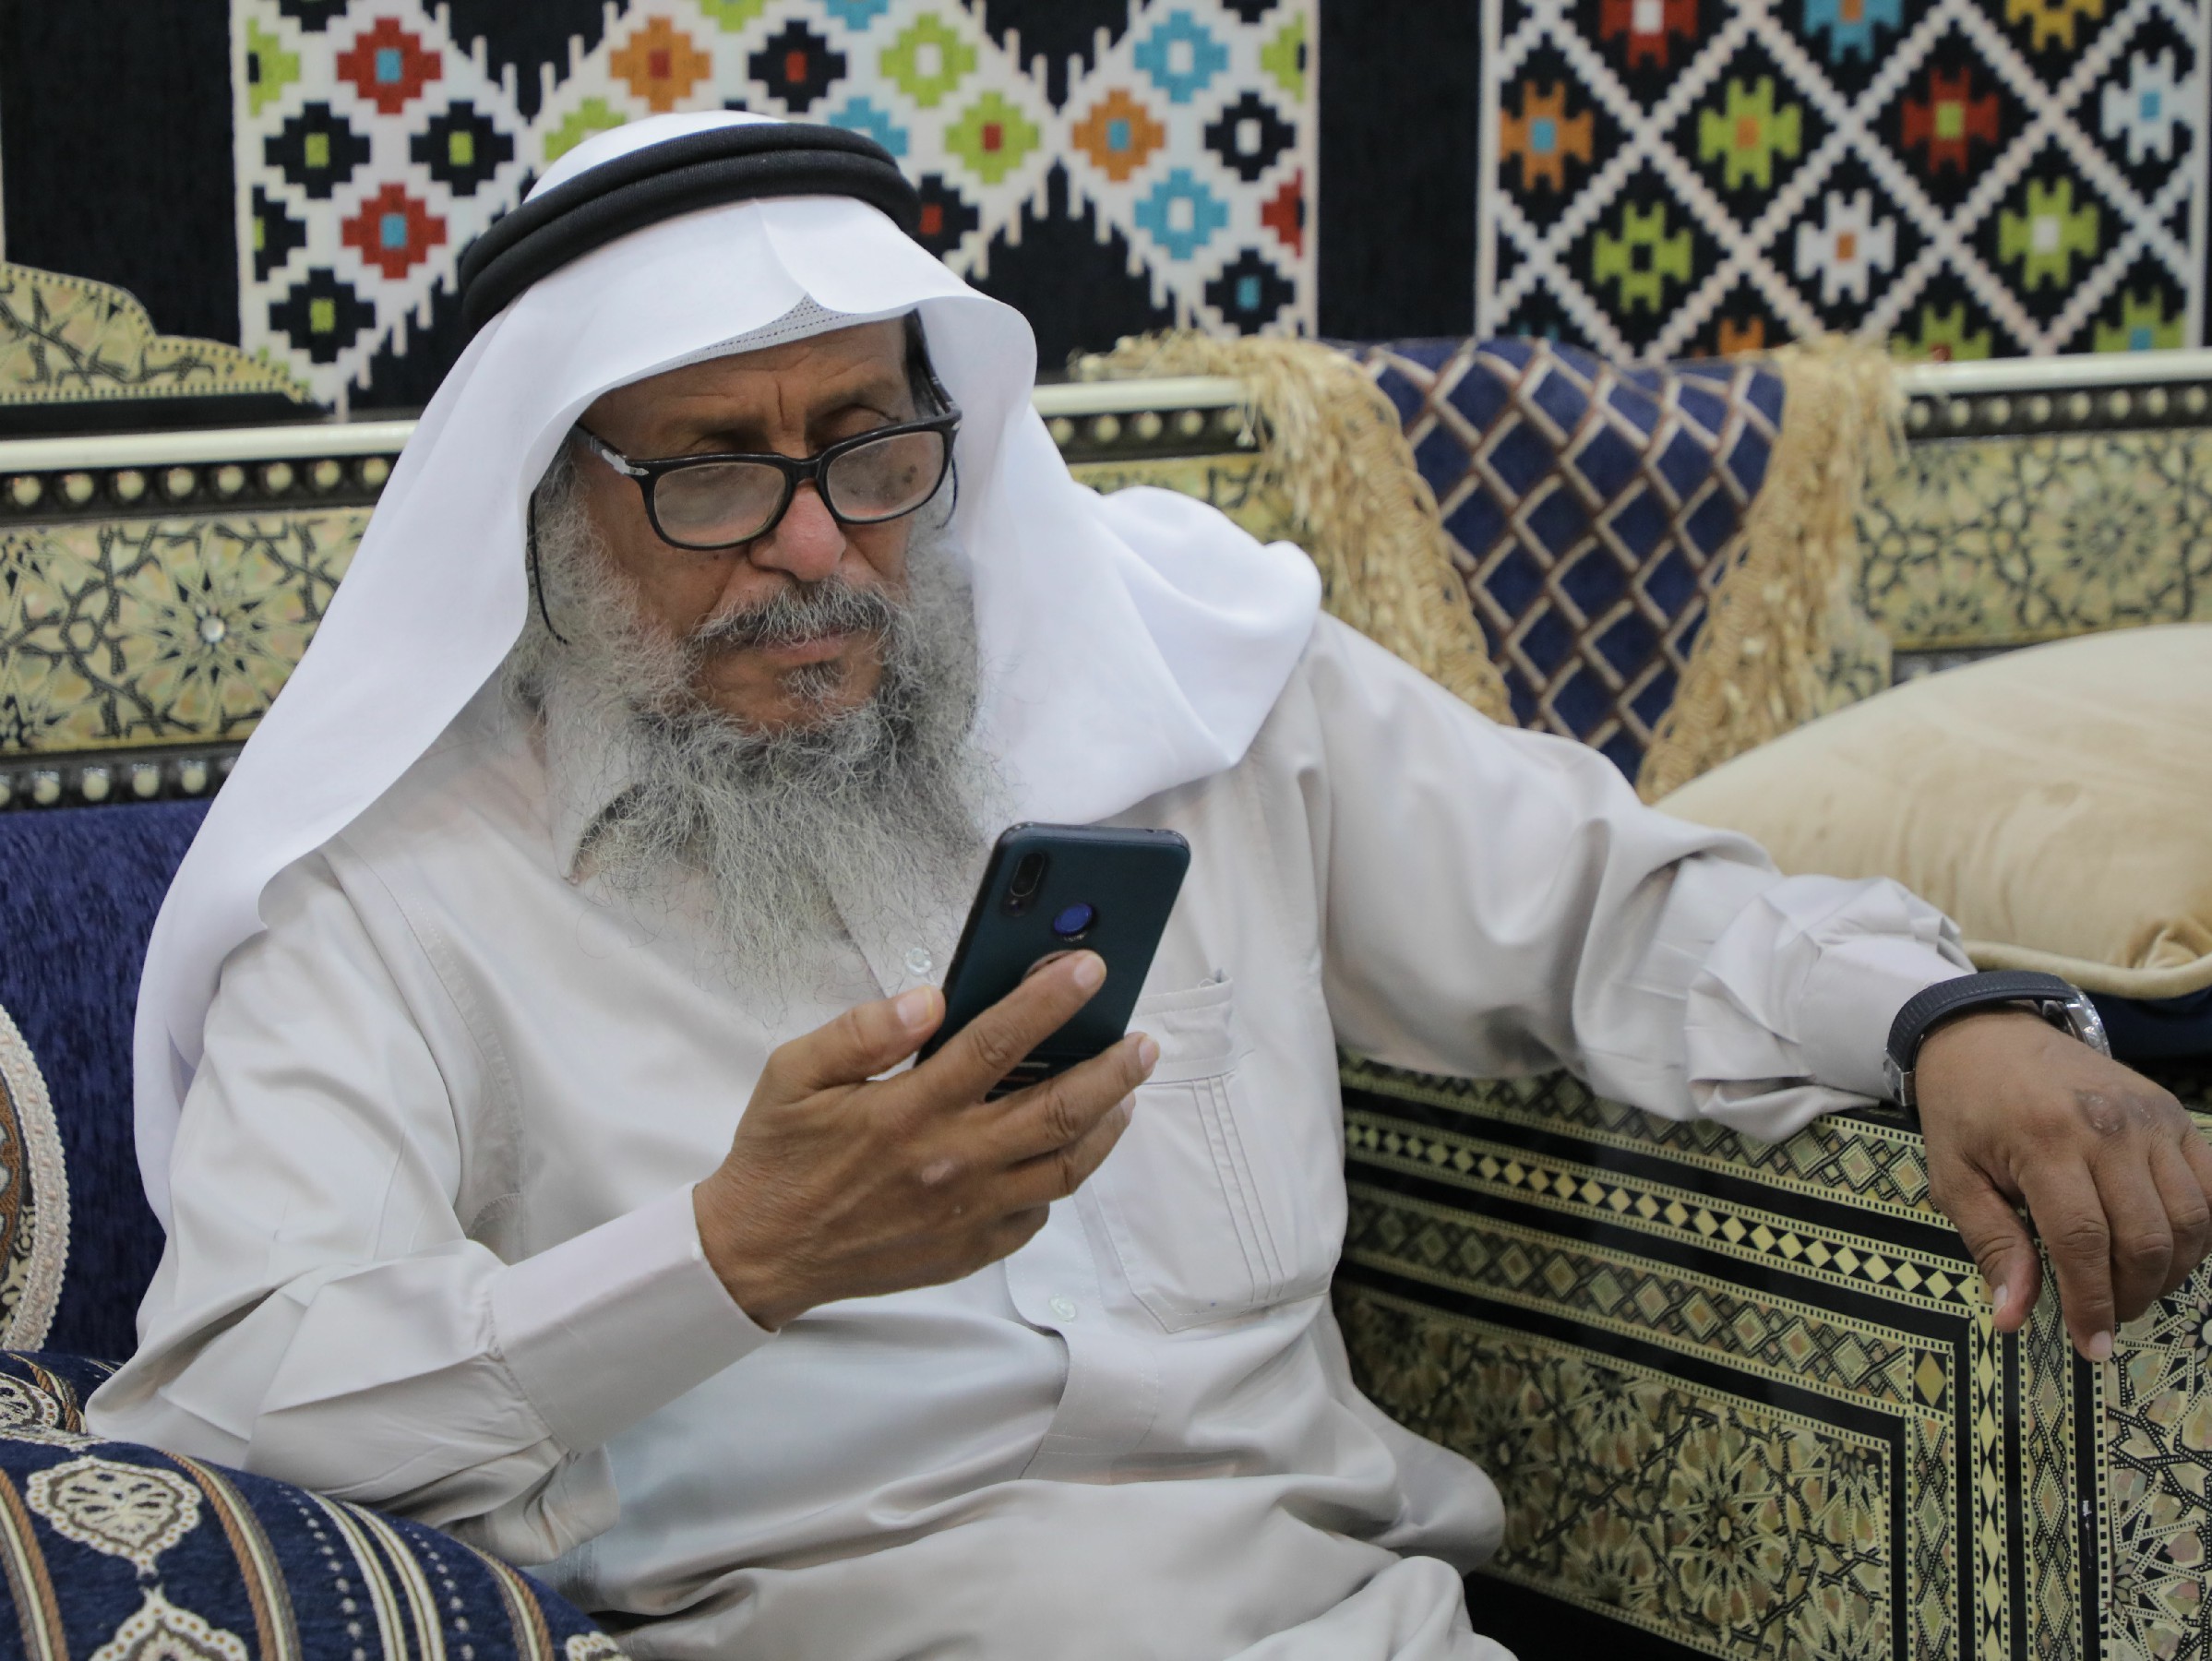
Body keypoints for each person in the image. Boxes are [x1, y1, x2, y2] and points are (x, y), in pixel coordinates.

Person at [90, 114, 2211, 1661]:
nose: (816, 547)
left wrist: (1943, 1018)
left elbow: (1601, 903)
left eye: (869, 451)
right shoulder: (389, 895)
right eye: (713, 473)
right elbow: (225, 1403)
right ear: (548, 509)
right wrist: (733, 1256)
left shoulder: (1184, 683)